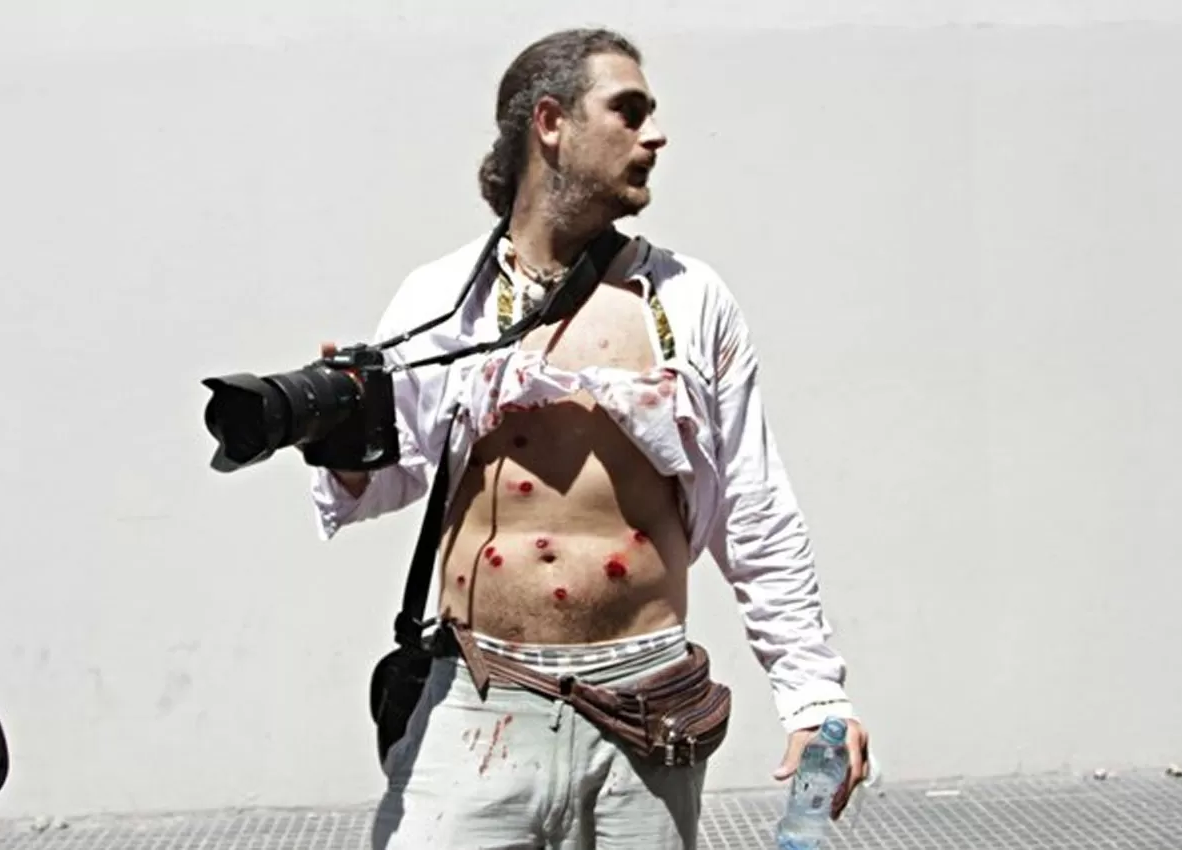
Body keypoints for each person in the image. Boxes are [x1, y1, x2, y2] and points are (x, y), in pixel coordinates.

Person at [309, 27, 871, 850]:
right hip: (478, 700)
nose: (655, 135)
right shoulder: (443, 299)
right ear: (551, 123)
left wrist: (815, 696)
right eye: (629, 110)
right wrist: (333, 434)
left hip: (644, 714)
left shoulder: (686, 300)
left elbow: (756, 509)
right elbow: (379, 480)